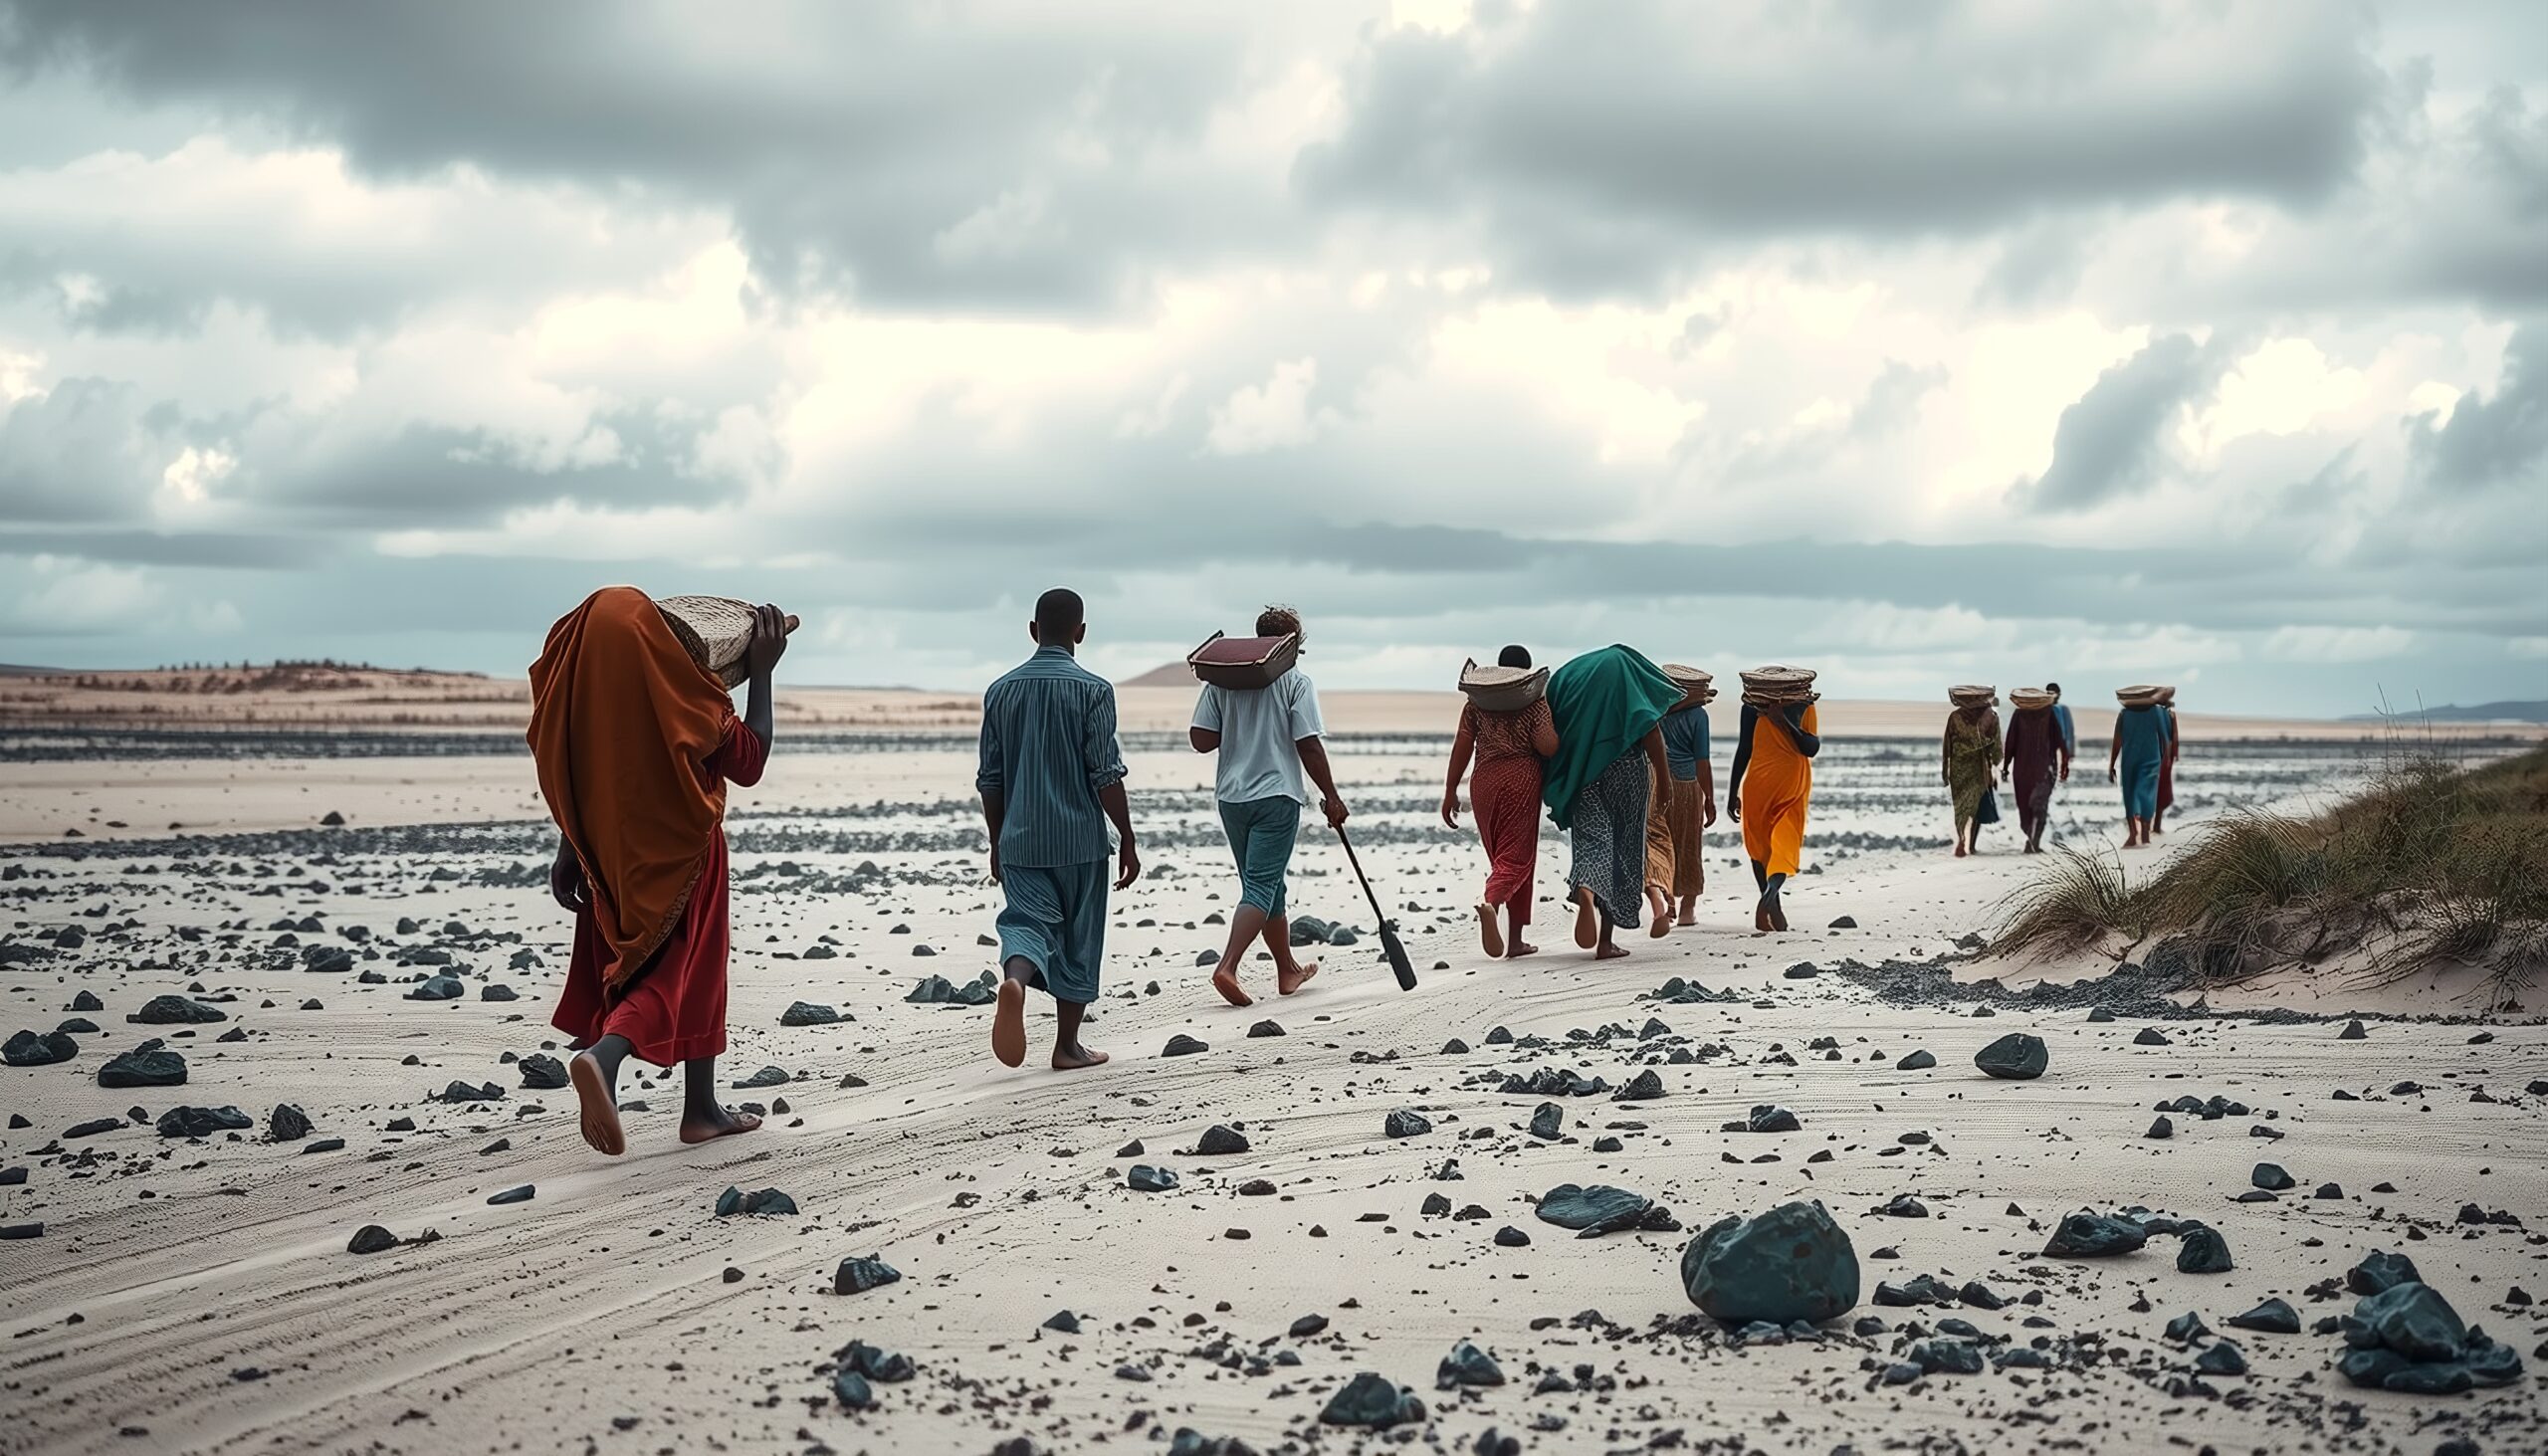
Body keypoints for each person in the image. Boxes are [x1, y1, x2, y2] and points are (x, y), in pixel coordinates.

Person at [531, 588, 785, 1156]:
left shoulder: (575, 705)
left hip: (607, 854)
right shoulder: (685, 693)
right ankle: (607, 1058)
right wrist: (764, 673)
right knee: (684, 971)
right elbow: (749, 761)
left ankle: (698, 1108)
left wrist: (570, 850)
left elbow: (576, 780)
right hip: (683, 853)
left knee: (636, 964)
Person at [978, 588, 1141, 1072]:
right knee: (1079, 940)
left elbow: (990, 778)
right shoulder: (1095, 690)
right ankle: (1067, 1046)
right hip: (1079, 841)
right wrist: (1127, 836)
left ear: (1033, 631)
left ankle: (1015, 981)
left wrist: (996, 840)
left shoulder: (1000, 691)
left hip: (1020, 839)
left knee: (1026, 924)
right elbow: (1105, 773)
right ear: (1080, 632)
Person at [1191, 605, 1348, 1007]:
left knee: (1268, 885)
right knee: (1261, 885)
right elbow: (1308, 744)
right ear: (1291, 645)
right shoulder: (1296, 682)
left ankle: (1287, 970)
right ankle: (1227, 967)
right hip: (1276, 797)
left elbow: (1201, 740)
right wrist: (1331, 795)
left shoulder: (1221, 681)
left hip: (1231, 798)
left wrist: (1236, 716)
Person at [1541, 645, 1680, 959]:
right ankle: (1605, 942)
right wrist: (1664, 783)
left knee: (1593, 843)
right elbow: (1652, 735)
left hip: (1585, 774)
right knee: (1622, 850)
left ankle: (1587, 888)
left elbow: (1553, 736)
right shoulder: (1626, 686)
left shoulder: (1570, 683)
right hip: (1629, 774)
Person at [1441, 645, 1559, 959]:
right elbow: (1548, 747)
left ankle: (1516, 941)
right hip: (1521, 782)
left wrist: (1450, 789)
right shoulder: (1535, 704)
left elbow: (1462, 745)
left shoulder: (1476, 705)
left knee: (1502, 857)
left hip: (1483, 784)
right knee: (1518, 859)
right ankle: (1491, 903)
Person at [1728, 695, 1821, 932]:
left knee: (1759, 848)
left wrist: (1732, 793)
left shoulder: (1752, 704)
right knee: (1784, 842)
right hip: (1791, 784)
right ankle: (1770, 895)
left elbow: (1744, 749)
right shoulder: (1803, 704)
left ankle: (1773, 907)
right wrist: (1785, 721)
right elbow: (1811, 748)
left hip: (1757, 783)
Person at [1642, 675, 1717, 935]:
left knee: (1661, 842)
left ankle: (1666, 901)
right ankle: (1687, 908)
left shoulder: (1657, 712)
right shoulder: (1699, 716)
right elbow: (1702, 761)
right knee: (1689, 844)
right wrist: (1710, 798)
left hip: (1656, 783)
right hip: (1687, 784)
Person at [2003, 695, 2071, 854]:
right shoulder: (2046, 714)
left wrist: (2006, 767)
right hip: (2043, 769)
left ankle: (2033, 841)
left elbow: (2010, 743)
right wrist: (2064, 765)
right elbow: (2060, 741)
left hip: (2024, 770)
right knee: (2038, 806)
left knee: (2029, 806)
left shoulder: (2023, 715)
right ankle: (2033, 841)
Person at [2109, 694, 2174, 848]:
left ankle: (2138, 833)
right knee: (2141, 794)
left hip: (2136, 760)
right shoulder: (2153, 712)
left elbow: (2117, 741)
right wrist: (2166, 758)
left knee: (2133, 794)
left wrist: (2112, 764)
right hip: (2145, 760)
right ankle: (2139, 833)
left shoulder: (2125, 714)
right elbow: (2165, 738)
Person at [1942, 696, 2002, 858]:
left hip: (1958, 767)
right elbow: (1996, 748)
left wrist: (1945, 770)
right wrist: (1994, 768)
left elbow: (1947, 744)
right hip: (1979, 768)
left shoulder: (1955, 716)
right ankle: (1971, 845)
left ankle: (1961, 838)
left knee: (1961, 807)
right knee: (1978, 807)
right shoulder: (1991, 716)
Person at [2152, 687, 2182, 835]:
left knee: (2154, 788)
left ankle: (2151, 826)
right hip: (2164, 756)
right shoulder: (2169, 714)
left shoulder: (2153, 712)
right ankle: (2156, 826)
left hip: (2154, 754)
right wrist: (2174, 753)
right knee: (2161, 789)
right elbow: (2174, 735)